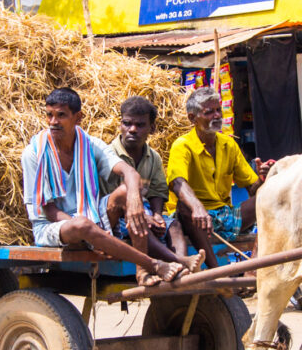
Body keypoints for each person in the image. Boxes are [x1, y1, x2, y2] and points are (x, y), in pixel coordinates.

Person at [21, 87, 187, 286]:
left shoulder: (90, 144)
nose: (53, 122)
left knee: (127, 191)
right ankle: (153, 264)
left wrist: (134, 201)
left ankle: (142, 272)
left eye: (61, 115)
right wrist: (90, 234)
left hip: (90, 215)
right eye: (49, 115)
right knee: (81, 224)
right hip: (53, 225)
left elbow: (129, 172)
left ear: (78, 117)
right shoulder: (33, 153)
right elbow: (49, 211)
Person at [166, 86, 273, 268]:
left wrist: (262, 178)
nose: (217, 116)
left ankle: (255, 265)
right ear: (192, 118)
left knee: (269, 196)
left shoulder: (228, 144)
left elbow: (252, 190)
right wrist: (198, 207)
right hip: (196, 220)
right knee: (185, 207)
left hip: (225, 216)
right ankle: (217, 272)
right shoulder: (182, 145)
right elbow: (177, 183)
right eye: (209, 112)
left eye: (218, 110)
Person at [101, 96, 204, 273]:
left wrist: (156, 215)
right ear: (120, 124)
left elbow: (157, 191)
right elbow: (110, 199)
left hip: (144, 211)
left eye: (140, 125)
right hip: (114, 216)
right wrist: (144, 215)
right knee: (139, 222)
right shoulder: (108, 154)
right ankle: (180, 261)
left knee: (173, 225)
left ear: (152, 128)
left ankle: (182, 271)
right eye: (127, 123)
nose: (132, 130)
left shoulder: (153, 157)